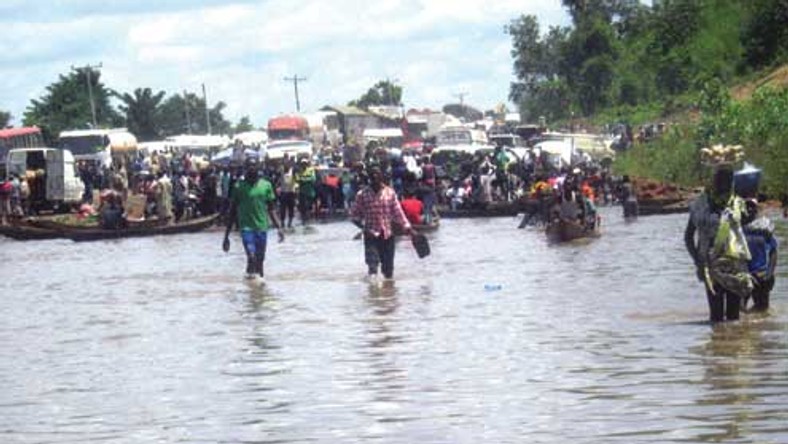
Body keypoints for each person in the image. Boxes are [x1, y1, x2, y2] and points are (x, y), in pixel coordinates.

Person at [685, 167, 752, 323]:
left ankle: (730, 346)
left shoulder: (737, 204)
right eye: (720, 179)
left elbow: (745, 233)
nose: (725, 184)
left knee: (733, 318)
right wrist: (698, 260)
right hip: (710, 265)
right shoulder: (699, 205)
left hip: (735, 265)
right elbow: (688, 236)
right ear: (713, 181)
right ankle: (718, 345)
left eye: (728, 180)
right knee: (715, 317)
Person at [223, 159, 285, 280]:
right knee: (251, 256)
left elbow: (271, 209)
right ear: (246, 170)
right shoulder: (238, 186)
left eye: (254, 167)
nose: (252, 170)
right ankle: (252, 281)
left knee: (260, 260)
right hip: (246, 228)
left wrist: (279, 228)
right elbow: (232, 211)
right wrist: (226, 236)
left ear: (258, 169)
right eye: (249, 167)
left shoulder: (266, 185)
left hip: (262, 227)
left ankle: (256, 288)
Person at [350, 166, 412, 280]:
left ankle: (388, 295)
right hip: (371, 235)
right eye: (372, 174)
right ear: (369, 177)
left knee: (388, 271)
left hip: (387, 235)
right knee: (372, 267)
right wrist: (364, 228)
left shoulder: (390, 193)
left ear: (381, 177)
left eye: (377, 174)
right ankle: (372, 294)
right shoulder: (362, 194)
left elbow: (398, 213)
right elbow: (353, 216)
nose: (374, 176)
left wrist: (407, 226)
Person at [741, 199, 778, 312]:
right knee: (739, 309)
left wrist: (770, 272)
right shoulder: (736, 229)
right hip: (742, 274)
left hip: (761, 275)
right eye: (746, 206)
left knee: (762, 310)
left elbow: (773, 251)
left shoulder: (763, 229)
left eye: (752, 206)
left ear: (756, 210)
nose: (749, 209)